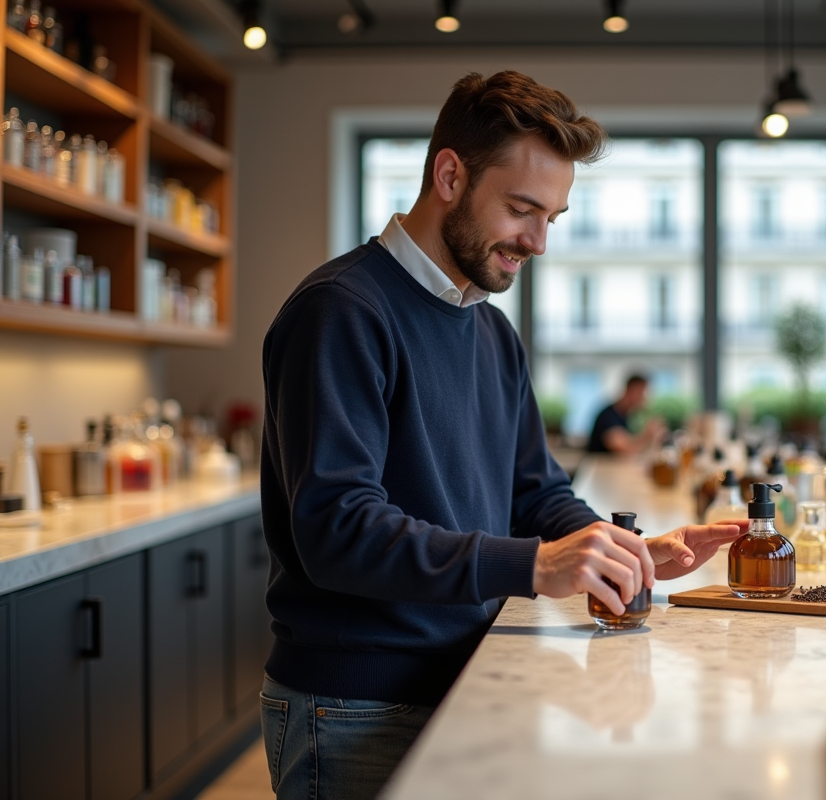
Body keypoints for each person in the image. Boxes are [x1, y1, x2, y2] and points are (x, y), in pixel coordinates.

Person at [257, 71, 746, 800]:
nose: (540, 241)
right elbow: (336, 529)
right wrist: (535, 566)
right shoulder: (342, 311)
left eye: (554, 216)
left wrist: (614, 552)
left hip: (462, 679)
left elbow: (534, 489)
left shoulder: (490, 329)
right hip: (357, 705)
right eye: (522, 209)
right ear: (450, 174)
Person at [586, 373, 666, 454]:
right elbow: (624, 450)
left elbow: (632, 445)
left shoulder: (625, 416)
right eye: (643, 393)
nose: (645, 399)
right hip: (599, 465)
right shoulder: (608, 417)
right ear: (633, 391)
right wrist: (647, 435)